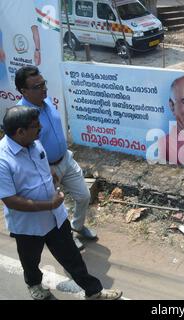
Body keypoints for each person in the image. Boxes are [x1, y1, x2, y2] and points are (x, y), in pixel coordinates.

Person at [0, 106, 122, 300]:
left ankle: (94, 291)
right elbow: (10, 200)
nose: (41, 128)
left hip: (55, 218)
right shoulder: (2, 160)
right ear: (20, 132)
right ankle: (34, 284)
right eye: (36, 126)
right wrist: (49, 204)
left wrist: (50, 172)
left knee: (73, 258)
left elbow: (41, 161)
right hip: (28, 227)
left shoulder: (34, 143)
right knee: (30, 260)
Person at [15, 66, 95, 250]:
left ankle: (78, 226)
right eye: (37, 86)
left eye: (43, 83)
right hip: (47, 169)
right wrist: (45, 168)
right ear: (23, 91)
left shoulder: (46, 100)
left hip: (66, 159)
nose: (43, 88)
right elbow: (25, 149)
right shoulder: (22, 115)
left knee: (83, 196)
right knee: (57, 208)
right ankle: (67, 238)